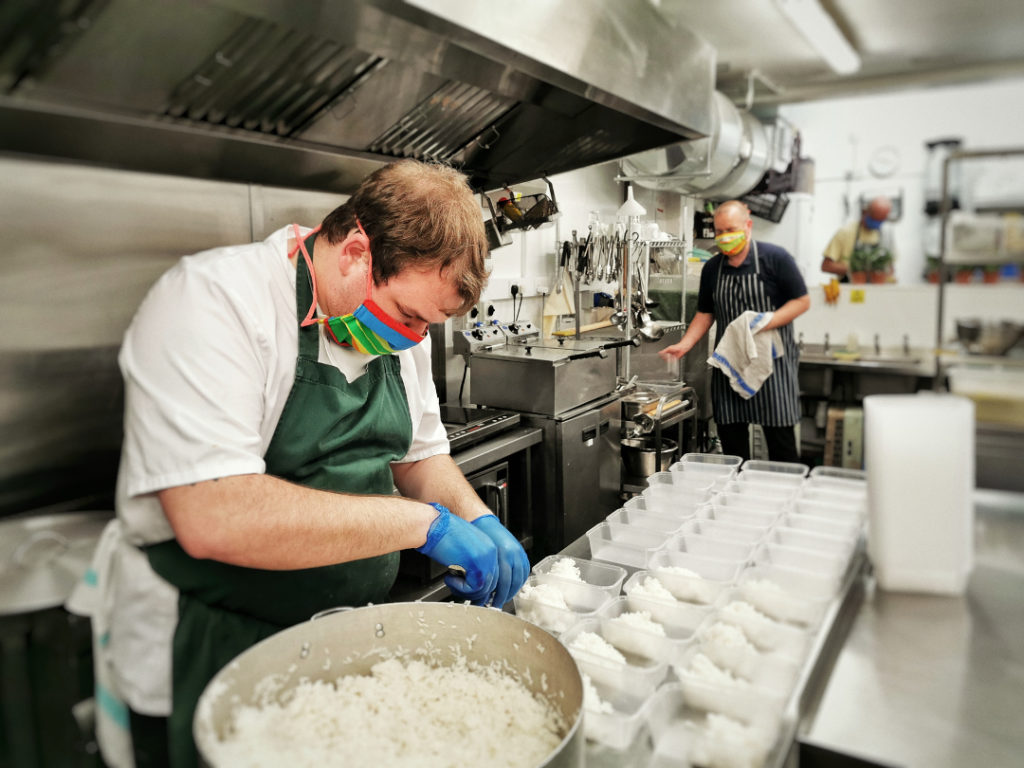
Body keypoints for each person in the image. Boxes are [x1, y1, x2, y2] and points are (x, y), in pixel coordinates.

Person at [99, 159, 530, 768]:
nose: (413, 339)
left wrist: (478, 519)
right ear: (356, 250)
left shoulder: (399, 328)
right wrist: (425, 526)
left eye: (427, 327)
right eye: (409, 318)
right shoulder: (218, 300)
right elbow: (214, 514)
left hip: (334, 636)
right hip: (208, 634)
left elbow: (421, 453)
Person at [659, 200, 810, 462]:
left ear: (748, 226)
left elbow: (802, 301)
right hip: (730, 364)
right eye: (719, 232)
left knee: (782, 450)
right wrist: (684, 344)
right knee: (733, 449)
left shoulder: (776, 258)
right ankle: (736, 496)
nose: (724, 237)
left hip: (772, 366)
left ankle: (786, 495)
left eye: (730, 229)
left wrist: (762, 322)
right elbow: (706, 314)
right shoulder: (713, 269)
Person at [821, 196, 895, 281]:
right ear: (865, 211)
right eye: (874, 218)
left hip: (877, 290)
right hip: (849, 289)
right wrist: (855, 270)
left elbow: (890, 267)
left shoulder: (885, 236)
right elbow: (826, 266)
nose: (876, 223)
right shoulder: (845, 232)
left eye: (880, 220)